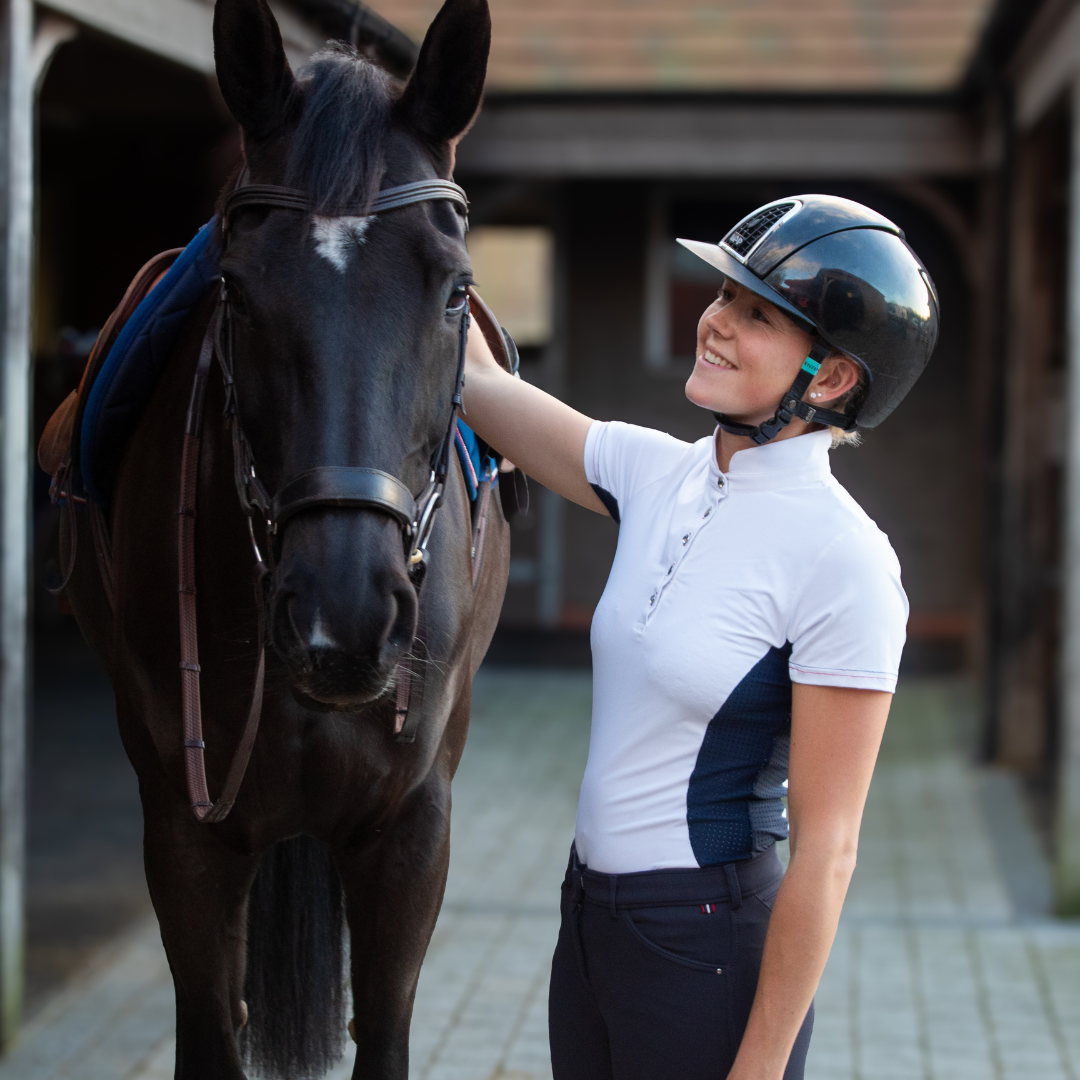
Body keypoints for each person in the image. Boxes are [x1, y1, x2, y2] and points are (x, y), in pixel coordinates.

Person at [460, 194, 939, 1080]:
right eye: (723, 295)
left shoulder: (845, 559)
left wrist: (759, 1070)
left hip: (705, 946)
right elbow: (482, 387)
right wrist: (404, 223)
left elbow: (828, 852)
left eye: (757, 315)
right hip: (588, 920)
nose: (714, 321)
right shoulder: (655, 472)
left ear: (830, 379)